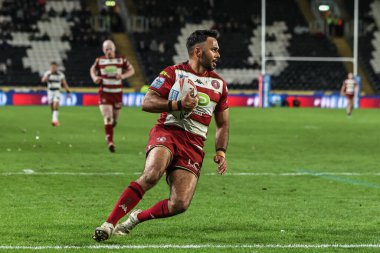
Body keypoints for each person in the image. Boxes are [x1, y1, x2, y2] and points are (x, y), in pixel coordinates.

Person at [92, 30, 229, 242]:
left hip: (194, 143)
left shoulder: (219, 84)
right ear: (198, 51)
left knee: (180, 204)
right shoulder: (173, 73)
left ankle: (136, 218)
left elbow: (223, 124)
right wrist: (177, 105)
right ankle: (108, 224)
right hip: (168, 131)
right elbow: (147, 102)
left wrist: (221, 150)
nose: (218, 54)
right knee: (152, 174)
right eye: (214, 49)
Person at [90, 40, 135, 152]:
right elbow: (92, 70)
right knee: (108, 117)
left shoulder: (121, 59)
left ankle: (109, 132)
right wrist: (95, 78)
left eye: (110, 49)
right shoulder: (99, 60)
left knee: (114, 120)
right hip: (104, 92)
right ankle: (110, 141)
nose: (108, 51)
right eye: (106, 49)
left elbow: (132, 70)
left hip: (117, 93)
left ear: (114, 49)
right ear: (103, 50)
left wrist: (123, 75)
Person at [41, 62, 71, 126]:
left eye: (54, 67)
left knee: (55, 104)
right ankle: (55, 118)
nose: (53, 68)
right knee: (52, 106)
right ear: (50, 67)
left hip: (57, 91)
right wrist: (48, 76)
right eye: (52, 67)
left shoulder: (60, 74)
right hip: (50, 91)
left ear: (56, 67)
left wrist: (68, 91)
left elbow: (64, 83)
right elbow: (43, 80)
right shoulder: (48, 73)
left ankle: (54, 121)